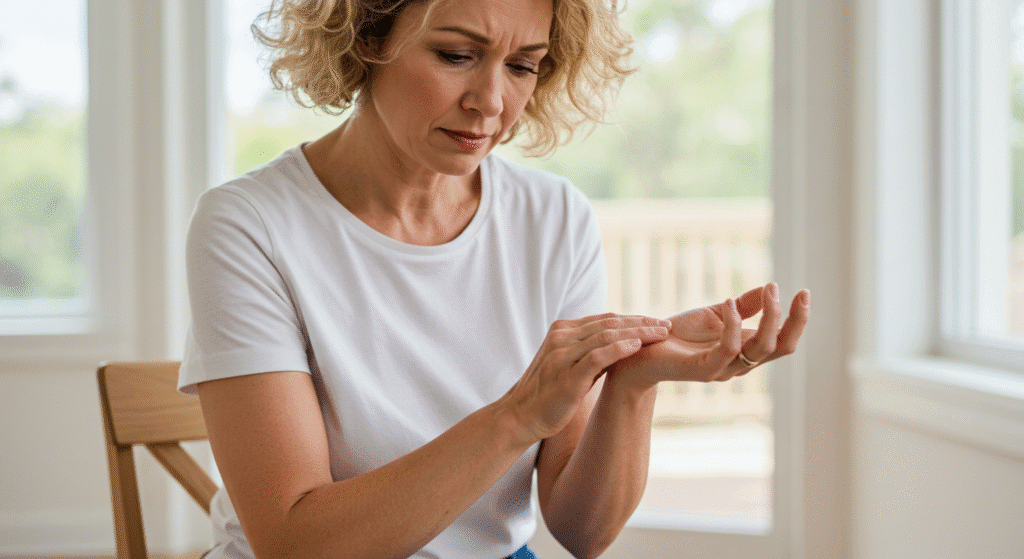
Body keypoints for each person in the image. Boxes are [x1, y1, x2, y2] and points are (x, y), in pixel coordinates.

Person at [178, 0, 811, 557]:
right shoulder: (250, 224)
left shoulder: (554, 219)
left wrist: (632, 383)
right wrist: (518, 414)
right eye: (456, 55)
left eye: (523, 65)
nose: (491, 102)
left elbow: (582, 534)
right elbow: (297, 546)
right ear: (365, 36)